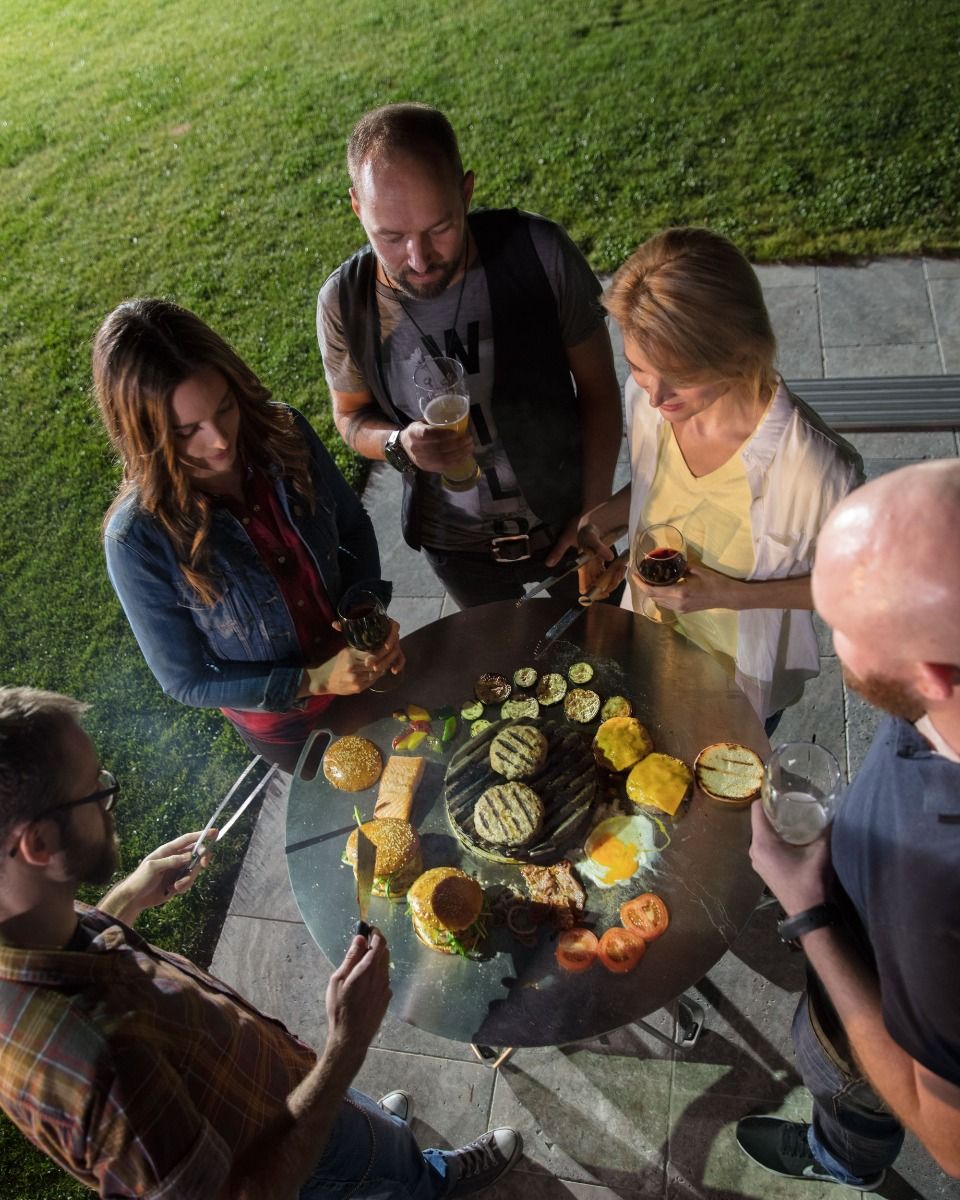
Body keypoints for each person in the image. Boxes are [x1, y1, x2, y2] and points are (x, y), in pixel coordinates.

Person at [0, 685, 522, 1198]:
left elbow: (83, 952)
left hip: (274, 1081)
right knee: (380, 1171)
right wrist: (345, 1046)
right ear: (39, 843)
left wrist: (126, 901)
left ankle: (369, 1124)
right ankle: (430, 1180)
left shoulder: (24, 919)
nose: (110, 804)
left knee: (361, 1127)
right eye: (98, 790)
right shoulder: (101, 1073)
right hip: (287, 1153)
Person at [737, 460, 960, 1186]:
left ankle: (845, 1163)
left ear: (932, 674)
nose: (834, 647)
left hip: (872, 1024)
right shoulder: (939, 699)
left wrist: (808, 914)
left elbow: (950, 1140)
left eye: (841, 627)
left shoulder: (939, 893)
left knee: (853, 1102)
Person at [317, 102, 623, 609]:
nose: (418, 259)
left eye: (439, 228)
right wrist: (397, 443)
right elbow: (349, 417)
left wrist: (596, 511)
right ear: (356, 207)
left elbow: (599, 390)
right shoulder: (344, 304)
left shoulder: (538, 254)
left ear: (466, 191)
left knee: (609, 661)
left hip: (568, 524)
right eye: (390, 237)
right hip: (456, 550)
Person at [95, 298, 404, 774]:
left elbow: (352, 526)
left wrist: (363, 610)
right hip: (290, 727)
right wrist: (314, 680)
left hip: (365, 674)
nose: (219, 440)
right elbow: (187, 680)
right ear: (144, 435)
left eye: (225, 408)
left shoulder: (286, 432)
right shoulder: (137, 540)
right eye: (186, 431)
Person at [576, 227, 863, 728]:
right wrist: (606, 519)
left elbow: (857, 587)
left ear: (736, 350)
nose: (656, 394)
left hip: (737, 688)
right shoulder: (647, 404)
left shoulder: (816, 470)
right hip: (649, 653)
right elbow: (659, 490)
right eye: (639, 366)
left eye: (680, 373)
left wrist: (730, 594)